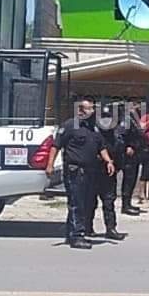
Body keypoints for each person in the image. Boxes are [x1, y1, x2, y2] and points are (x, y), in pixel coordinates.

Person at [47, 99, 116, 250]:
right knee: (77, 203)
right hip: (75, 171)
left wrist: (109, 161)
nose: (93, 111)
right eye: (90, 108)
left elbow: (101, 146)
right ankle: (77, 236)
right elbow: (55, 146)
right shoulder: (70, 125)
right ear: (80, 111)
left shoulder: (94, 128)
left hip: (90, 171)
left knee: (83, 203)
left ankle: (70, 232)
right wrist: (50, 165)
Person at [89, 104, 129, 240]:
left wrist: (117, 168)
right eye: (104, 118)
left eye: (109, 118)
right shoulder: (92, 135)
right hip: (93, 172)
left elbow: (120, 155)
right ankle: (88, 227)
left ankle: (111, 228)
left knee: (108, 202)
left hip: (109, 174)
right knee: (90, 202)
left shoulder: (116, 136)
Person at [119, 104, 146, 216]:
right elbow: (121, 135)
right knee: (129, 179)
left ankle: (128, 203)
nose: (138, 107)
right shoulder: (126, 119)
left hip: (136, 153)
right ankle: (125, 205)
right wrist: (127, 146)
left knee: (133, 178)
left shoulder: (134, 119)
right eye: (135, 105)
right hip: (129, 155)